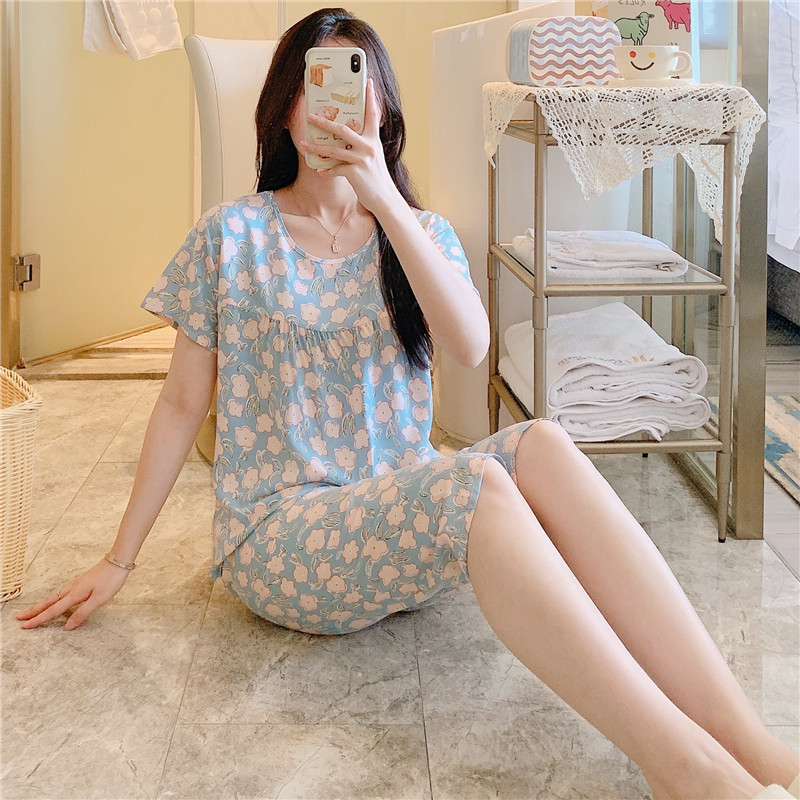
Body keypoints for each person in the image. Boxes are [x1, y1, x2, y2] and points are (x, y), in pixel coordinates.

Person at [17, 8, 798, 800]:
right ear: (282, 106)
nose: (333, 105)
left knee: (543, 444)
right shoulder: (231, 235)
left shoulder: (418, 232)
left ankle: (751, 745)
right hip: (280, 536)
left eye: (355, 84)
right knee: (478, 483)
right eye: (313, 83)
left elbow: (470, 345)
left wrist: (384, 201)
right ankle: (686, 771)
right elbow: (183, 404)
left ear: (383, 109)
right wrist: (119, 559)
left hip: (402, 513)